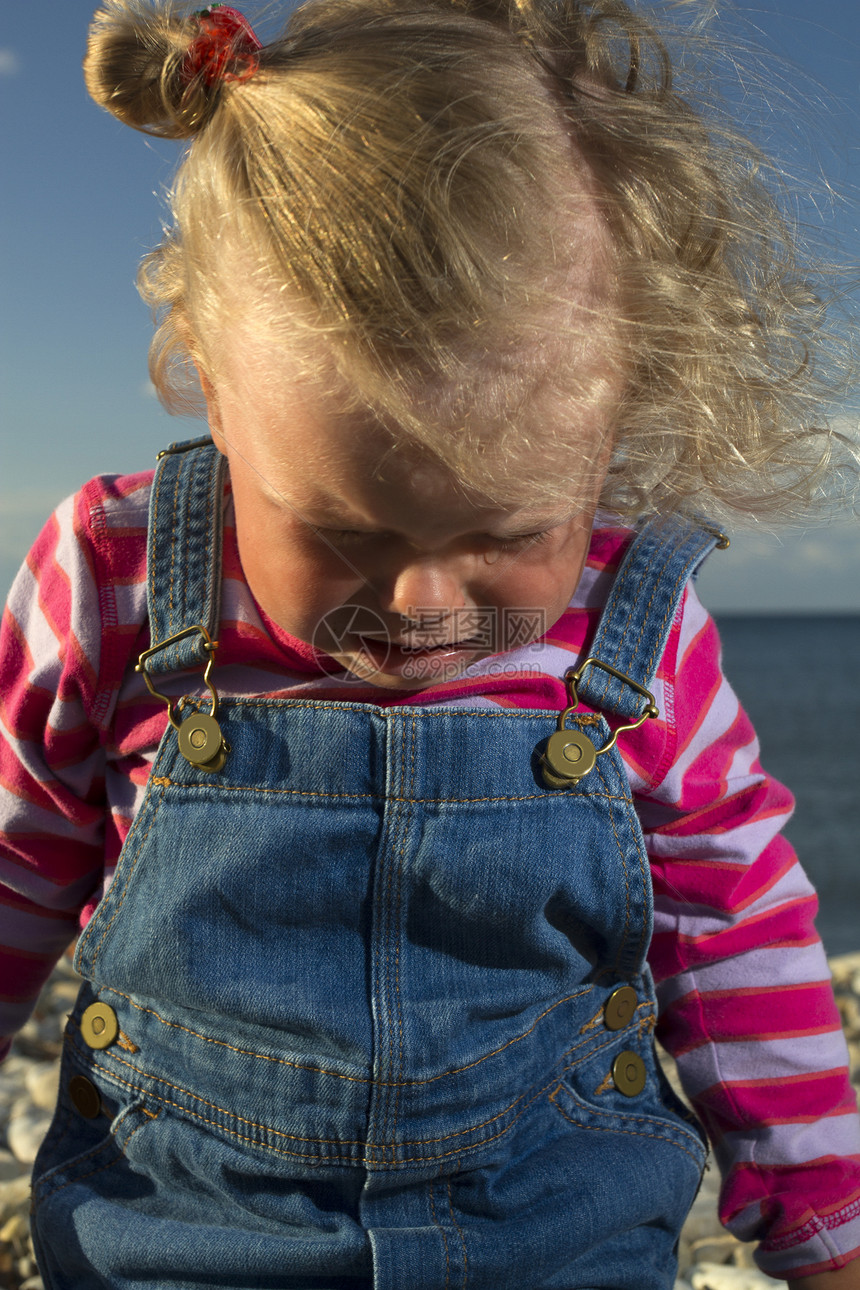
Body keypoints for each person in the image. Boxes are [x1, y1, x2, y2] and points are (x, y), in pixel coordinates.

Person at [1, 0, 858, 1285]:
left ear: (612, 415)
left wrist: (819, 1227)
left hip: (554, 1232)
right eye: (343, 533)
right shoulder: (116, 575)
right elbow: (10, 869)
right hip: (176, 1233)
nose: (420, 609)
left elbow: (731, 928)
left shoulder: (634, 630)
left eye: (506, 532)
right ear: (209, 385)